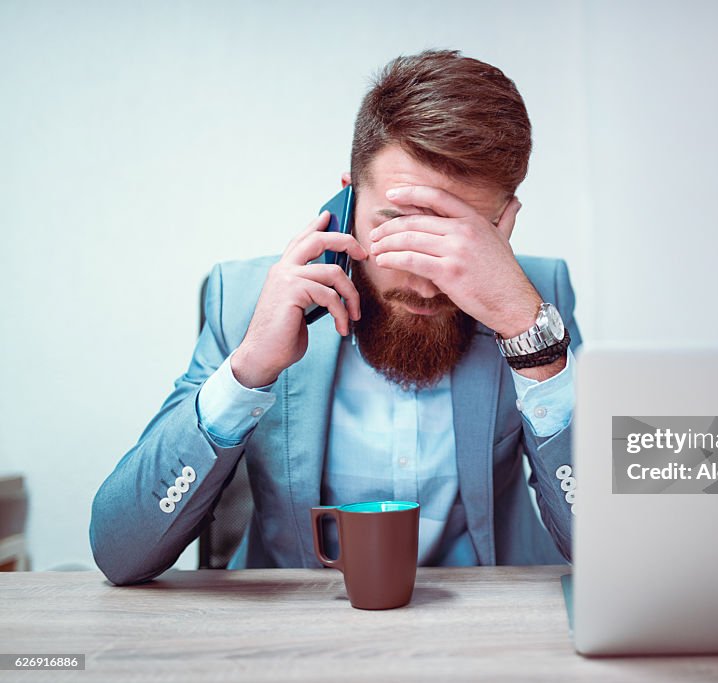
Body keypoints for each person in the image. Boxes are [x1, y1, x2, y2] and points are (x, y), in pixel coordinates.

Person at [90, 50, 581, 585]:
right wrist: (247, 369)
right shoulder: (243, 298)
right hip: (297, 636)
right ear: (347, 195)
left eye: (460, 237)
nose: (423, 277)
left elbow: (617, 547)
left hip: (486, 628)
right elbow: (118, 552)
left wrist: (529, 337)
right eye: (398, 227)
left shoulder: (534, 301)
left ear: (505, 219)